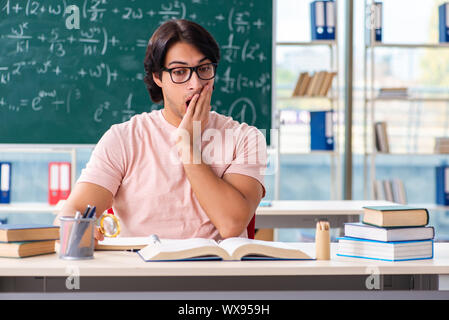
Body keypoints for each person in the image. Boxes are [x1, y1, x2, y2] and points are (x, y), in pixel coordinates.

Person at [55, 19, 267, 242]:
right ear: (158, 77)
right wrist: (82, 231)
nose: (195, 84)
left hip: (216, 272)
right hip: (139, 271)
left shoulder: (246, 138)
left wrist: (187, 145)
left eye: (204, 69)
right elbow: (71, 214)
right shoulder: (123, 138)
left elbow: (231, 225)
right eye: (179, 71)